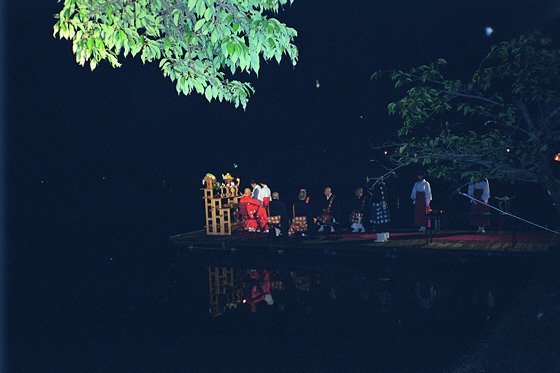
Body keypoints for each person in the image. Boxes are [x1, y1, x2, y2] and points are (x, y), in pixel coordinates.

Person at [370, 177, 390, 242]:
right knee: (384, 221)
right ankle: (385, 236)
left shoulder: (378, 187)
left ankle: (380, 238)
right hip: (384, 205)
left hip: (378, 206)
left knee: (379, 221)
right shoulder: (384, 186)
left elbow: (376, 197)